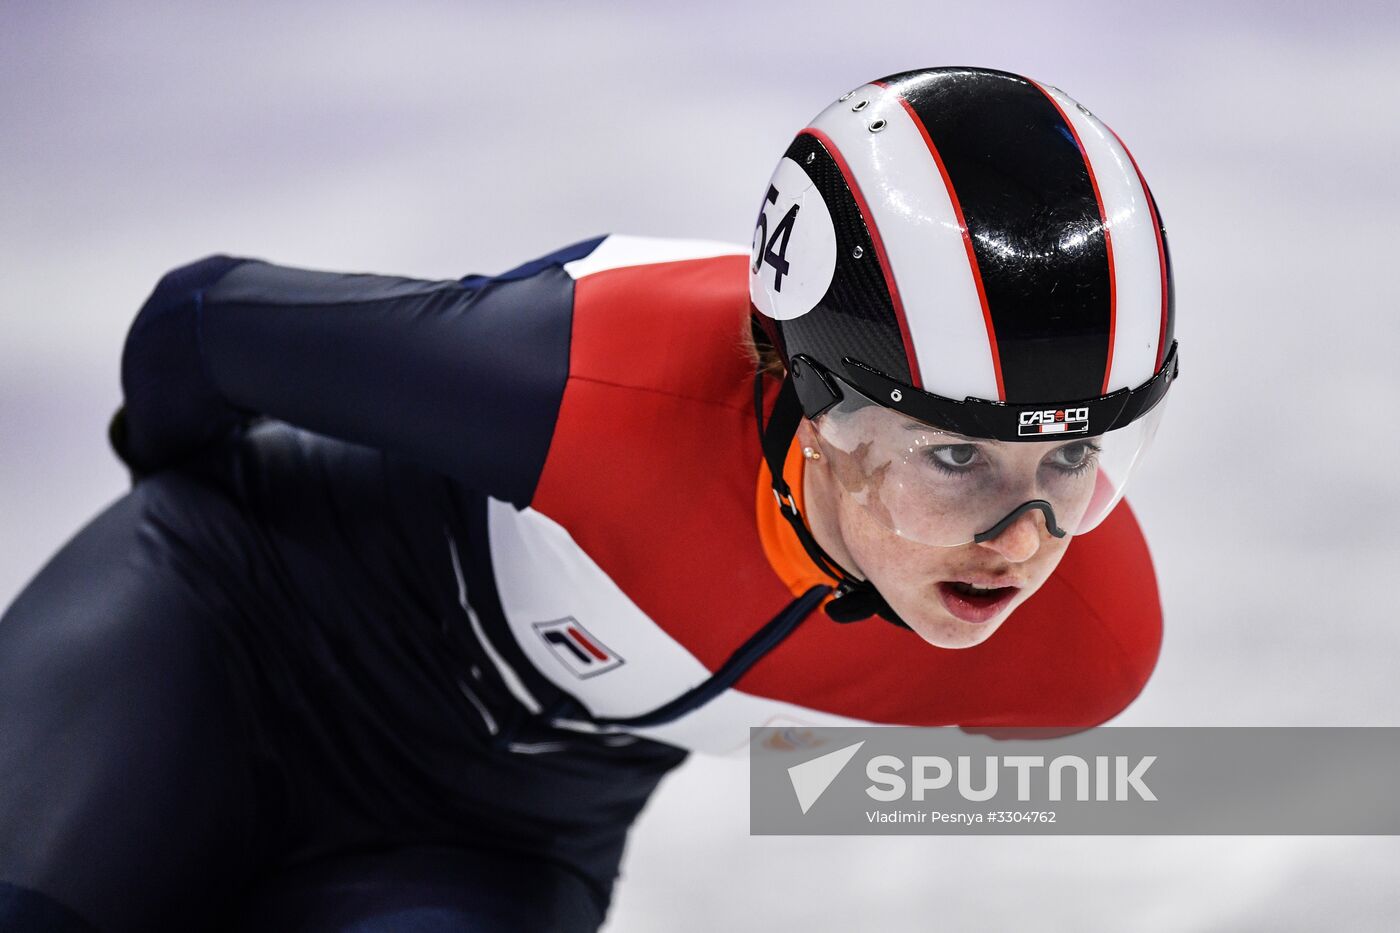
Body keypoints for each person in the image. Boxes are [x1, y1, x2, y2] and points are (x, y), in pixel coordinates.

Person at [0, 66, 1177, 932]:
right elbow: (199, 326)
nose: (1023, 544)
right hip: (228, 634)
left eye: (1076, 460)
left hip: (487, 832)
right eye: (960, 458)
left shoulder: (1080, 646)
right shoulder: (592, 377)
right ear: (813, 398)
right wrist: (166, 533)